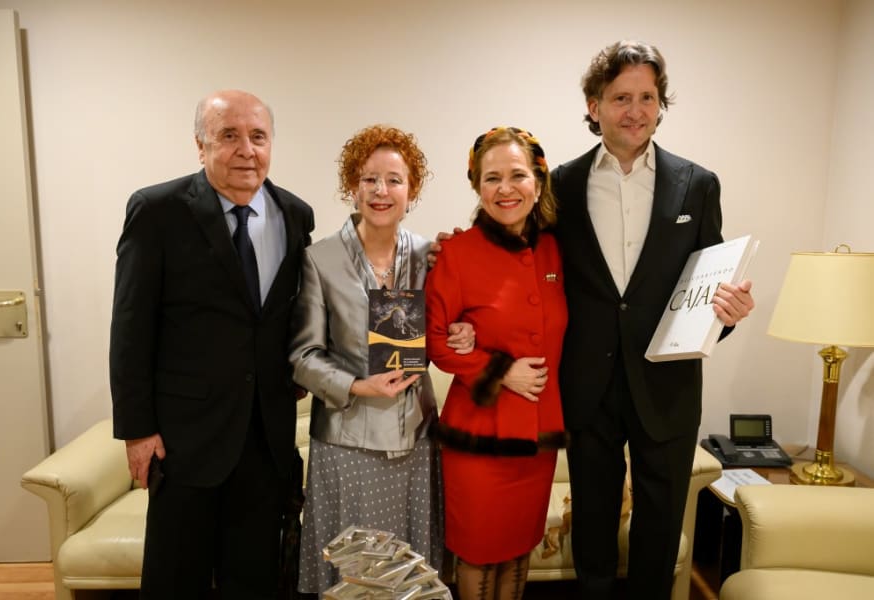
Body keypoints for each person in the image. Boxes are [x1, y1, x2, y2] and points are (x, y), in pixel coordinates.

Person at [551, 41, 755, 599]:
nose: (635, 110)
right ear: (594, 105)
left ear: (660, 104)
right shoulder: (560, 185)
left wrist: (730, 314)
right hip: (588, 381)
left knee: (661, 523)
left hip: (667, 383)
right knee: (591, 518)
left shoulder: (698, 183)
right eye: (621, 97)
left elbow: (709, 285)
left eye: (647, 97)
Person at [109, 89, 314, 599]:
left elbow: (295, 315)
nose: (247, 149)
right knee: (176, 578)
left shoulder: (296, 215)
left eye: (258, 136)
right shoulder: (157, 211)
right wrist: (137, 430)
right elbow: (131, 325)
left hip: (266, 437)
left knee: (255, 578)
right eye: (229, 136)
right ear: (200, 146)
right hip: (185, 440)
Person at [289, 125, 469, 595]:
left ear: (412, 190)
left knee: (409, 578)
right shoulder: (320, 259)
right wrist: (356, 385)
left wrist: (461, 330)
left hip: (415, 440)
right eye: (370, 179)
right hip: (348, 442)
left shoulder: (432, 255)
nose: (381, 191)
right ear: (353, 186)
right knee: (357, 575)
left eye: (394, 180)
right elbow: (303, 356)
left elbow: (444, 331)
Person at [425, 127, 568, 600]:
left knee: (519, 549)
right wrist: (500, 370)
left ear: (539, 182)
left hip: (538, 438)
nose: (505, 189)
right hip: (478, 438)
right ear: (476, 186)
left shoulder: (558, 249)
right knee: (479, 553)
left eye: (517, 175)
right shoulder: (456, 252)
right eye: (491, 178)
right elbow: (435, 341)